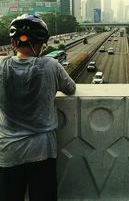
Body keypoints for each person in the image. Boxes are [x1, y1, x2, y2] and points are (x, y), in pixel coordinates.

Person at [0, 14, 76, 201]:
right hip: (42, 150)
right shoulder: (51, 65)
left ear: (13, 43)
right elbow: (71, 89)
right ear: (42, 43)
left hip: (8, 151)